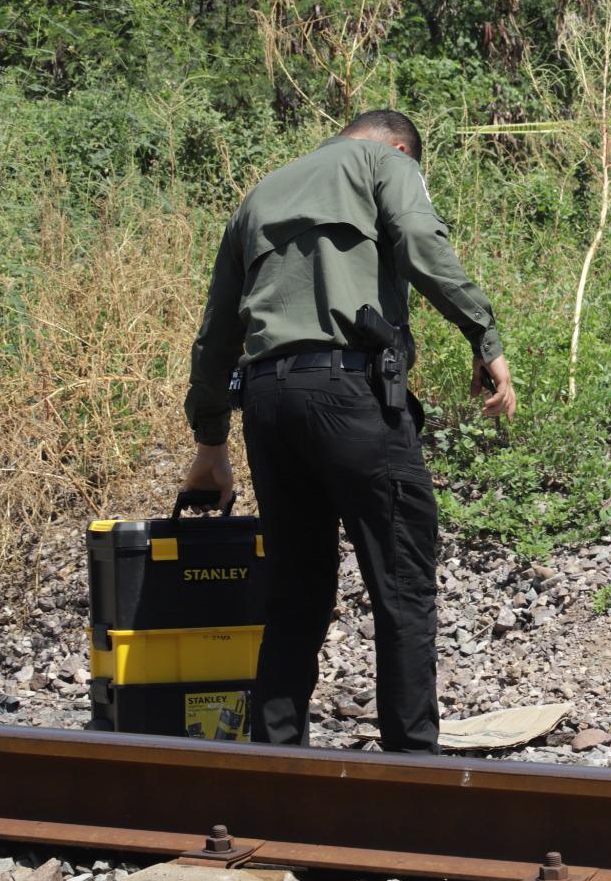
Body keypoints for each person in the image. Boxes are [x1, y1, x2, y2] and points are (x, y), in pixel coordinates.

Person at [179, 109, 516, 754]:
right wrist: (483, 334)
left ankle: (276, 761)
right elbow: (421, 243)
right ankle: (413, 764)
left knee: (295, 594)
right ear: (399, 148)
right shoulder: (385, 164)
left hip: (268, 404)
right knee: (403, 583)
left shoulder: (260, 194)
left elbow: (218, 330)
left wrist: (211, 444)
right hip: (349, 391)